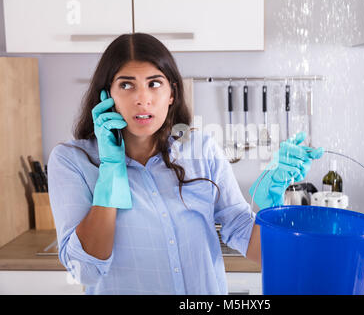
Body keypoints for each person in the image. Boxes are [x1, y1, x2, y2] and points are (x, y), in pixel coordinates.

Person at [47, 33, 323, 295]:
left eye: (154, 83)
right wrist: (110, 172)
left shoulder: (201, 149)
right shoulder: (72, 162)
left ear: (171, 94)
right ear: (107, 96)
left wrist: (269, 207)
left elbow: (257, 250)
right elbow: (87, 271)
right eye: (126, 85)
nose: (142, 98)